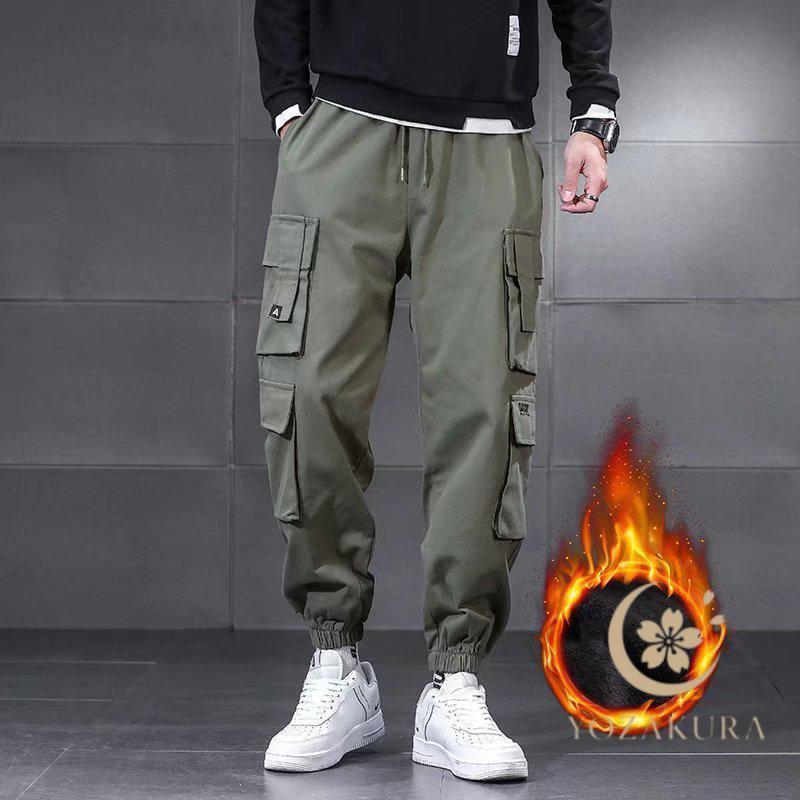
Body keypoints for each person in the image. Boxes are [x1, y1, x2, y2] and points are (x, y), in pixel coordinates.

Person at [253, 0, 619, 781]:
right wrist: (287, 105)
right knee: (308, 393)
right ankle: (336, 662)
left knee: (484, 410)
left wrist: (594, 109)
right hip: (344, 128)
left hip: (486, 140)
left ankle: (455, 681)